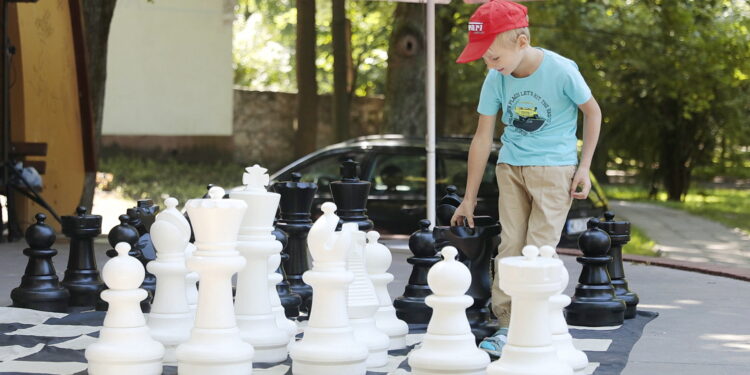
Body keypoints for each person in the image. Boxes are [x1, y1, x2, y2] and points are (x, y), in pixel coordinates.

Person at [449, 0, 602, 358]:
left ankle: (537, 322)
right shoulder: (495, 76)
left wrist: (584, 167)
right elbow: (482, 137)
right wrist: (469, 197)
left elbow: (593, 113)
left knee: (539, 248)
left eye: (494, 57)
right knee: (510, 247)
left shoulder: (562, 70)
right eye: (485, 59)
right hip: (510, 167)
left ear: (521, 41)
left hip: (554, 170)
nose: (490, 65)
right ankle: (506, 325)